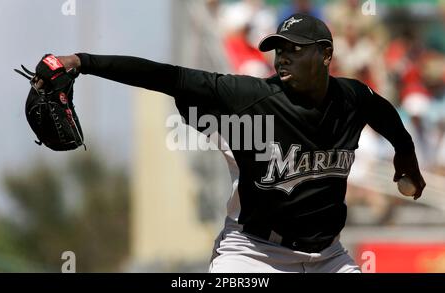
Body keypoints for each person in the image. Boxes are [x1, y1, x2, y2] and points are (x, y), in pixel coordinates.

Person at [43, 13, 425, 273]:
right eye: (279, 48)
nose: (282, 57)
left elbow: (387, 117)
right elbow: (168, 76)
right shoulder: (249, 95)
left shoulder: (352, 97)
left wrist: (405, 157)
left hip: (329, 257)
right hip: (255, 254)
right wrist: (81, 61)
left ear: (326, 55)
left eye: (295, 48)